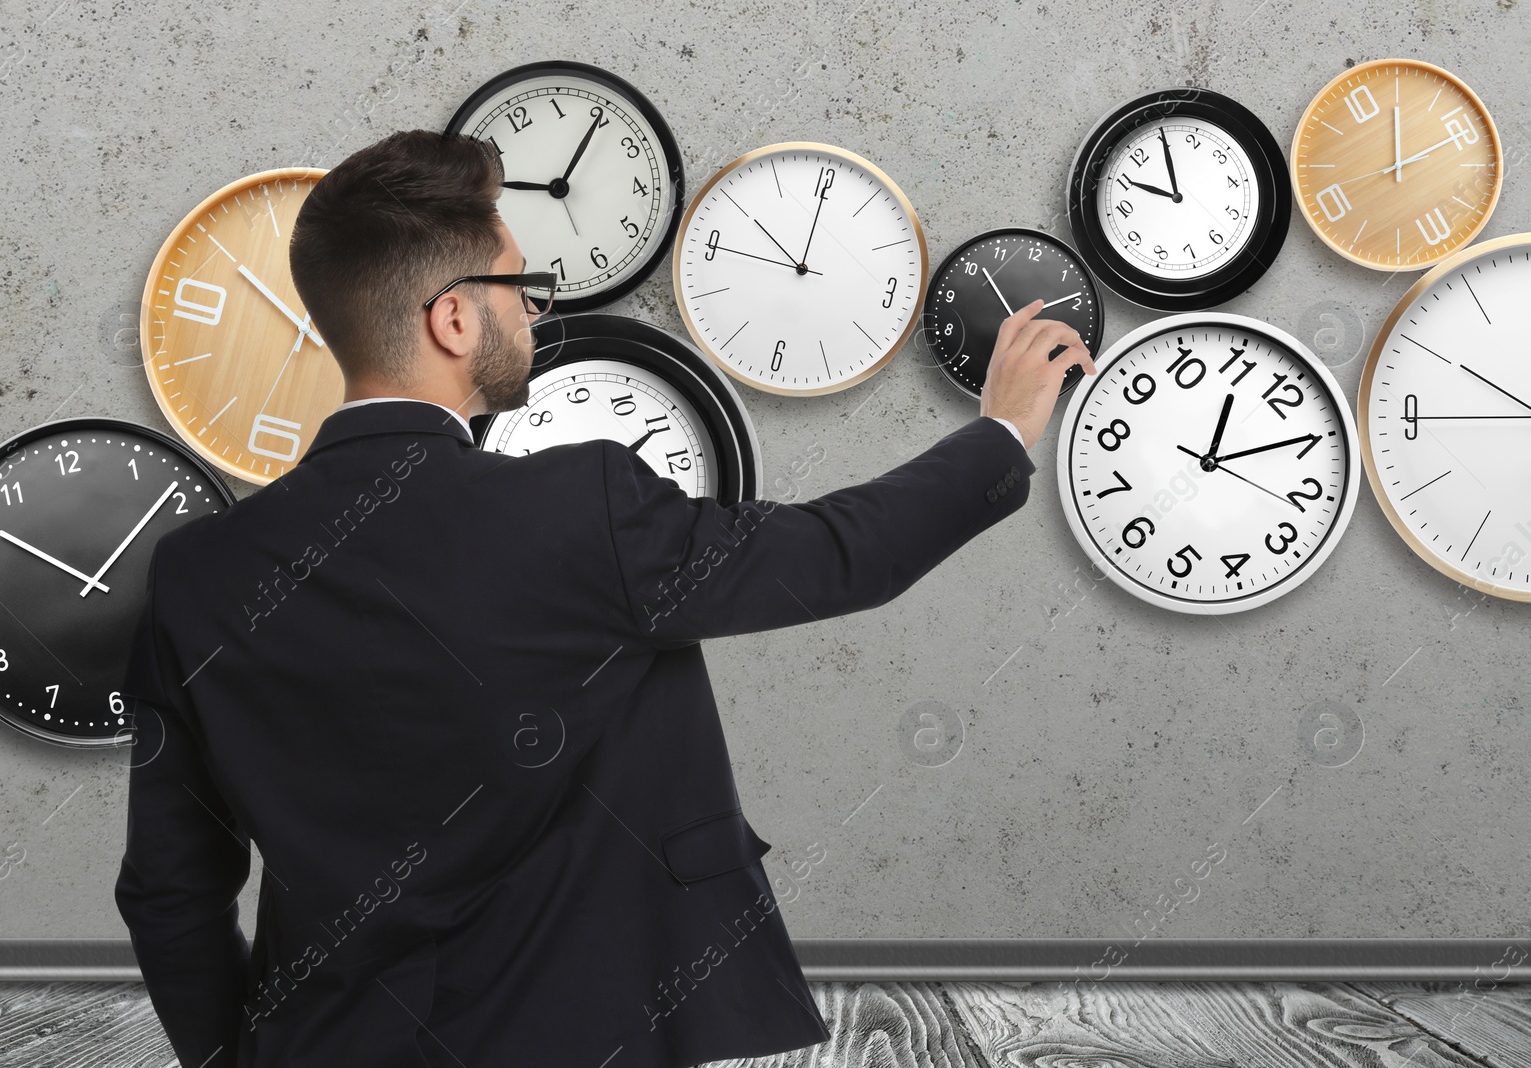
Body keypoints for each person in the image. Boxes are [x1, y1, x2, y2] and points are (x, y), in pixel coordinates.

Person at [113, 129, 1095, 1068]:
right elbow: (845, 554)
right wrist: (1001, 431)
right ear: (452, 318)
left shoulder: (198, 573)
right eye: (520, 287)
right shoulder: (577, 510)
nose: (533, 312)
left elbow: (169, 892)